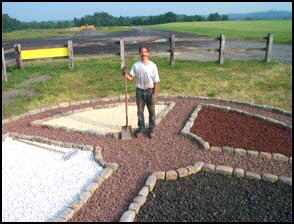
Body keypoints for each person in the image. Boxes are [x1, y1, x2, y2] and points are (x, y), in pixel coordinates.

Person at [122, 46, 160, 138]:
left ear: (148, 53)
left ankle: (152, 128)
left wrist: (155, 94)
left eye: (145, 52)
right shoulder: (136, 65)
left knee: (152, 111)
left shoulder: (153, 65)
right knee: (140, 111)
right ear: (139, 53)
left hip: (149, 91)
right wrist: (125, 74)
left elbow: (156, 81)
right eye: (141, 52)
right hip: (139, 91)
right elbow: (131, 78)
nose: (143, 53)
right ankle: (141, 128)